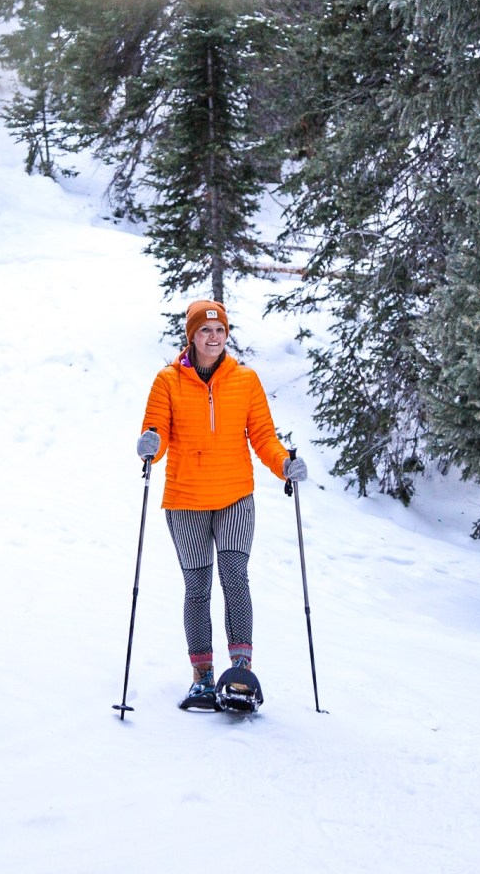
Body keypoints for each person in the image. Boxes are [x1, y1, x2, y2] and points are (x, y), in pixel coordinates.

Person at [137, 299, 307, 710]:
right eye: (204, 331)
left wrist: (284, 463)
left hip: (234, 497)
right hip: (186, 499)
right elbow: (155, 433)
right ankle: (202, 678)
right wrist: (150, 445)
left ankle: (241, 673)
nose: (213, 338)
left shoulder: (245, 380)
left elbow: (263, 436)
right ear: (191, 336)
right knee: (197, 587)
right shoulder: (168, 381)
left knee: (235, 577)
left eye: (219, 330)